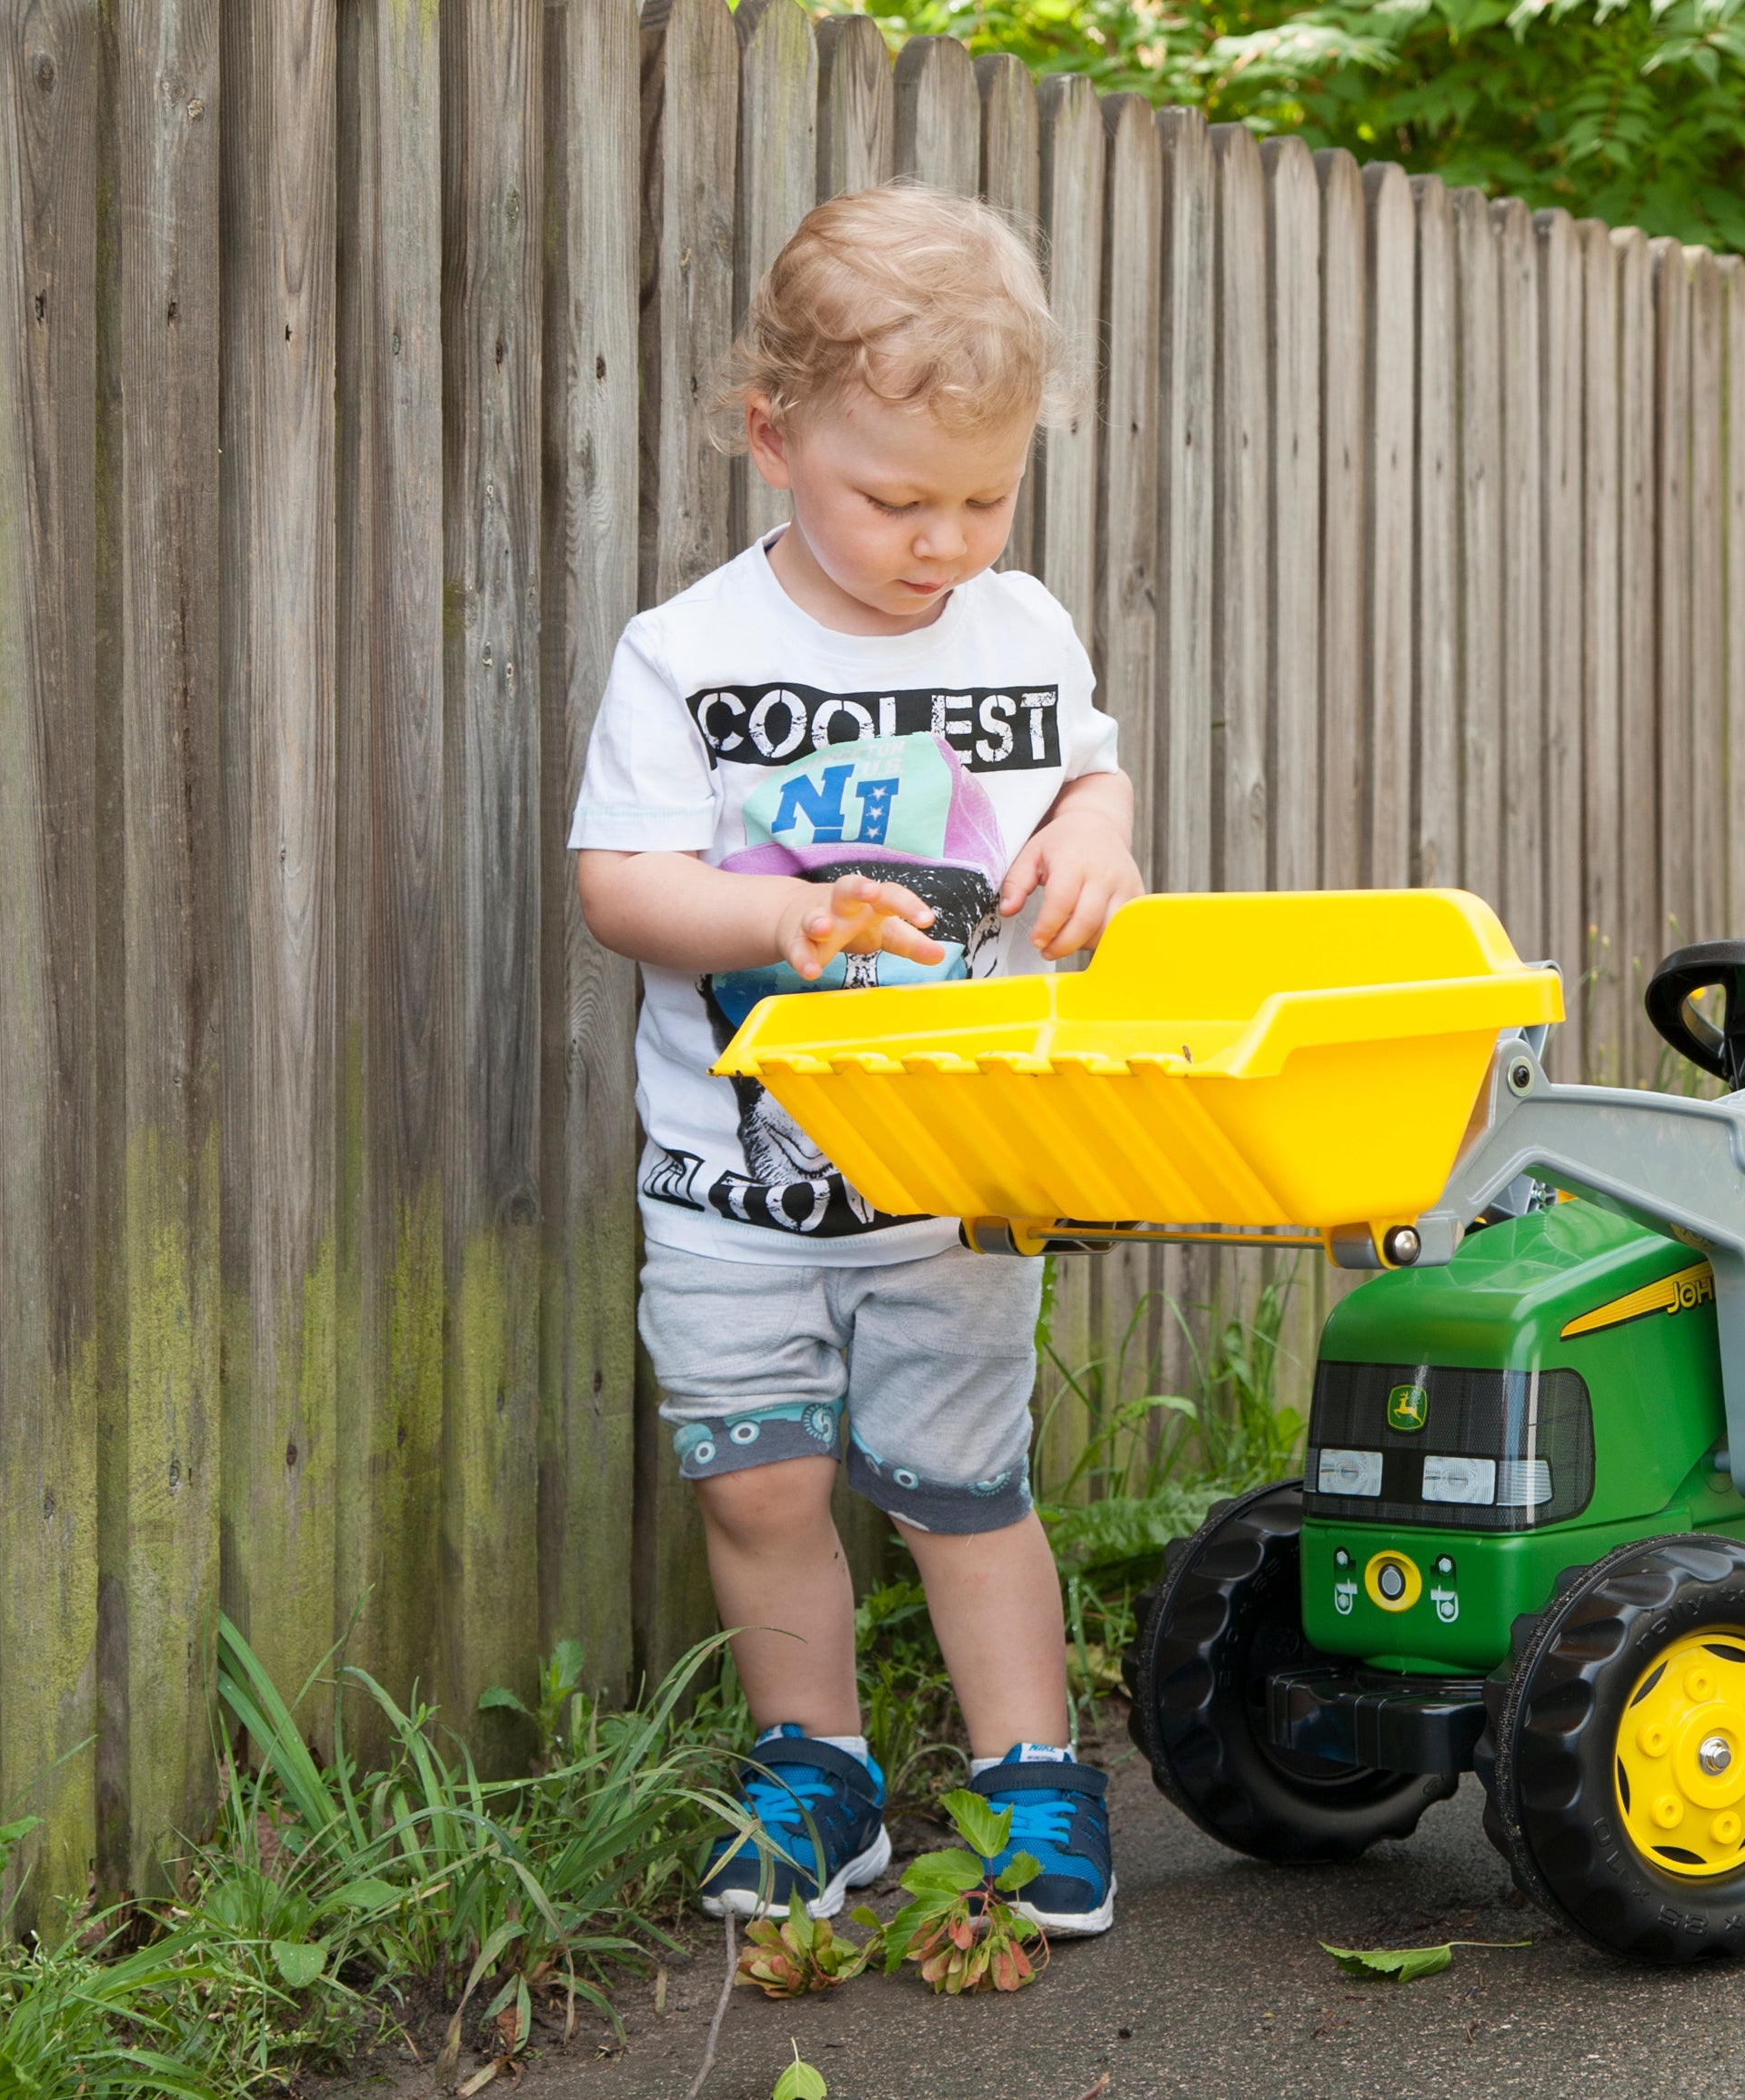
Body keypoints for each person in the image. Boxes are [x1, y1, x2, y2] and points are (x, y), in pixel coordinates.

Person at [569, 184, 1140, 1937]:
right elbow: (620, 882)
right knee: (762, 1483)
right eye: (896, 497)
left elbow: (1085, 781)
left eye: (984, 496)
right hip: (736, 1185)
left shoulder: (1020, 632)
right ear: (771, 436)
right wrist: (777, 924)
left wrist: (1103, 837)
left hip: (948, 1190)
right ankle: (813, 1767)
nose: (942, 541)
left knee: (966, 1486)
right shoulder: (694, 655)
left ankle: (1031, 1772)